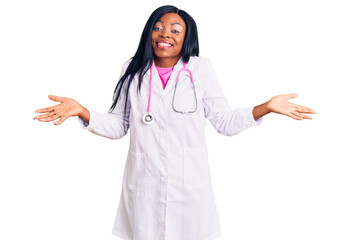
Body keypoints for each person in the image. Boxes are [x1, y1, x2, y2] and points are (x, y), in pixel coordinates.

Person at [34, 5, 316, 240]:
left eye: (174, 30)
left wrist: (265, 107)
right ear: (149, 33)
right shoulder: (132, 70)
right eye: (158, 27)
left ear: (186, 37)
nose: (164, 34)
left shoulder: (199, 70)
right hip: (144, 187)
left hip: (189, 189)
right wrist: (83, 111)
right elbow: (118, 125)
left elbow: (224, 121)